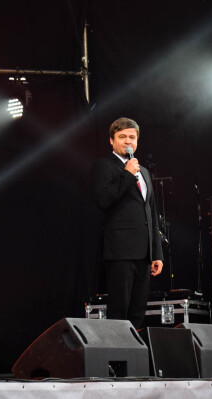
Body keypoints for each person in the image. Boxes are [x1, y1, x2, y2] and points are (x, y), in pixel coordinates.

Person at [91, 117, 163, 329]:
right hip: (120, 251)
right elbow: (103, 200)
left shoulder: (144, 172)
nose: (128, 141)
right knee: (119, 311)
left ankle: (134, 349)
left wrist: (157, 253)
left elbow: (151, 213)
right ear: (112, 140)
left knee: (138, 311)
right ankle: (118, 350)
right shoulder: (104, 166)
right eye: (122, 136)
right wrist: (128, 174)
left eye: (132, 137)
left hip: (144, 253)